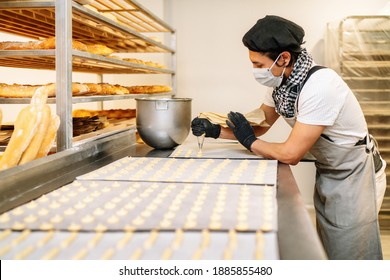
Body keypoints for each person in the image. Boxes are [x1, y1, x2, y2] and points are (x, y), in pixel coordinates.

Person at [191, 15, 387, 260]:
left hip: (356, 174)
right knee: (330, 247)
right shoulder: (281, 86)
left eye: (259, 65)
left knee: (350, 254)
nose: (255, 71)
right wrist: (216, 130)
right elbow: (260, 125)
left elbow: (290, 153)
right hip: (332, 171)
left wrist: (249, 141)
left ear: (283, 58)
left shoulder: (320, 87)